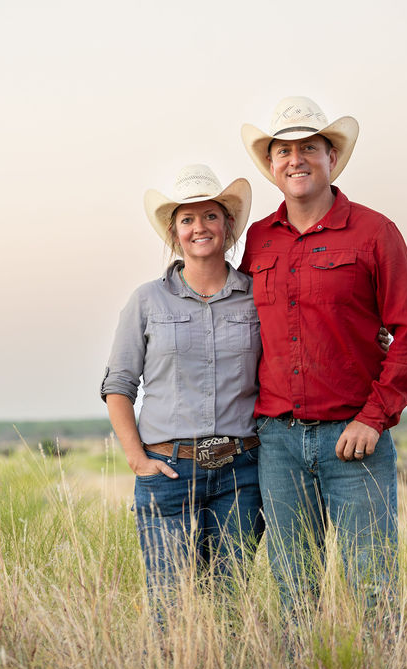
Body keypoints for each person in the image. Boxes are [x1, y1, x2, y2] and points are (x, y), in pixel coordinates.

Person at [238, 96, 407, 617]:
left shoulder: (375, 233)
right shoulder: (257, 240)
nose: (295, 159)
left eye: (309, 148)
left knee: (374, 587)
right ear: (272, 164)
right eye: (283, 150)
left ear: (330, 157)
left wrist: (375, 417)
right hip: (277, 442)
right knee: (292, 590)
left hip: (356, 440)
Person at [101, 164, 263, 608]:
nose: (199, 227)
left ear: (228, 226)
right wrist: (138, 460)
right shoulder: (147, 300)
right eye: (187, 219)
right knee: (170, 608)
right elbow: (119, 385)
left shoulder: (257, 296)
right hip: (168, 473)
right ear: (174, 233)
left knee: (230, 605)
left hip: (240, 473)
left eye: (210, 216)